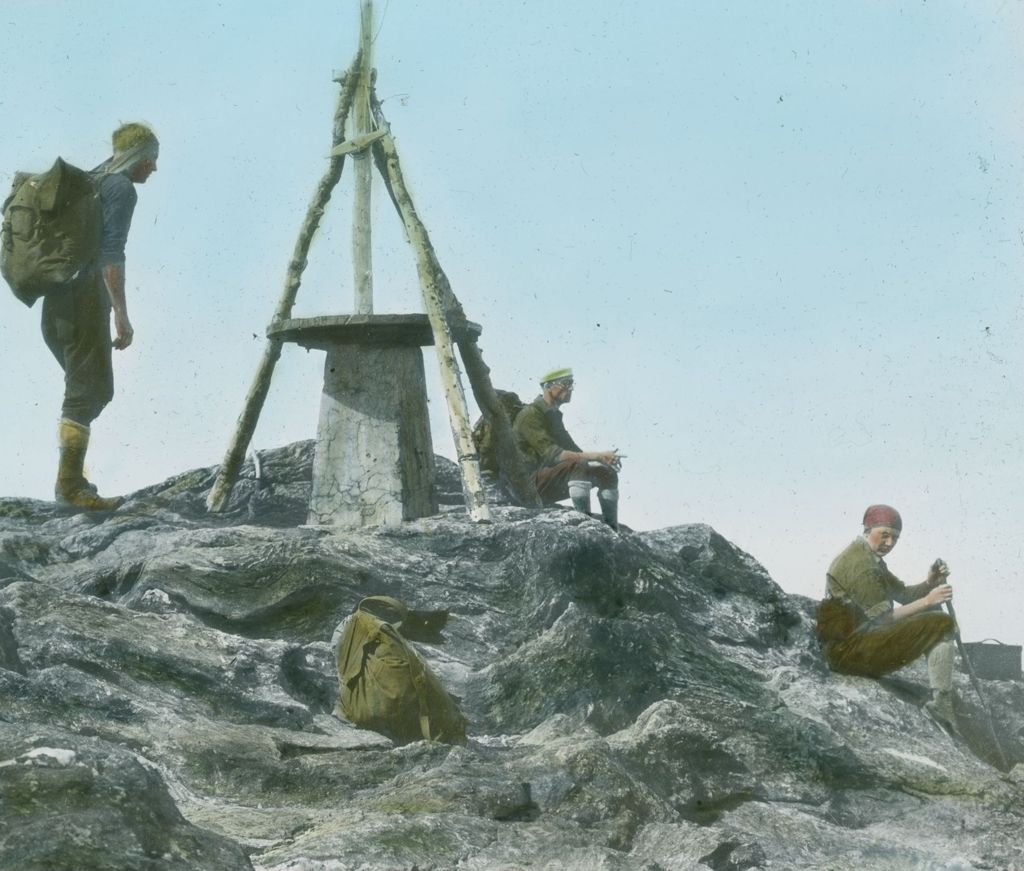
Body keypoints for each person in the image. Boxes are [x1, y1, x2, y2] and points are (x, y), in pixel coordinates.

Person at [41, 122, 159, 511]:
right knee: (86, 392)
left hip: (56, 303)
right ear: (139, 157)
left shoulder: (91, 180)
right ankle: (70, 489)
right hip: (86, 303)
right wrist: (121, 315)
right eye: (152, 160)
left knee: (92, 390)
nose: (153, 169)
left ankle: (70, 480)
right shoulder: (121, 188)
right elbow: (112, 253)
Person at [818, 504, 959, 731]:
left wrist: (929, 582)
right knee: (941, 621)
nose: (889, 543)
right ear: (868, 530)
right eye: (884, 535)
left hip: (853, 646)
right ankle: (941, 702)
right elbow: (882, 619)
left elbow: (902, 594)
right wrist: (928, 601)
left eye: (894, 538)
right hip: (847, 653)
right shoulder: (860, 564)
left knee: (933, 614)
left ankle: (941, 700)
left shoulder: (867, 556)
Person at [512, 367, 622, 528]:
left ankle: (612, 528)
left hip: (542, 481)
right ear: (548, 386)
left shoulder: (552, 415)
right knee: (577, 465)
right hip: (525, 485)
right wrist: (597, 456)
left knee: (606, 472)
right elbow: (554, 455)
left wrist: (601, 461)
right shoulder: (531, 414)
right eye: (565, 383)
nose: (570, 389)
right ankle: (584, 524)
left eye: (571, 384)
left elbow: (575, 452)